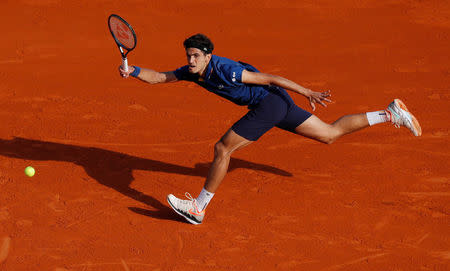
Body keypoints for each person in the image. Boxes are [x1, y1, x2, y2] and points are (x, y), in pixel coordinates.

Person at [119, 33, 421, 225]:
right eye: (188, 55)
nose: (190, 60)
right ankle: (389, 114)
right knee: (329, 134)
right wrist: (132, 71)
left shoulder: (228, 70)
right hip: (276, 104)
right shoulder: (192, 72)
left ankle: (198, 208)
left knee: (223, 148)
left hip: (270, 103)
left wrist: (308, 92)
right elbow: (160, 77)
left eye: (196, 56)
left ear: (208, 56)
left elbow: (271, 78)